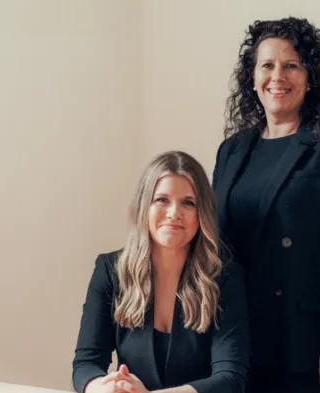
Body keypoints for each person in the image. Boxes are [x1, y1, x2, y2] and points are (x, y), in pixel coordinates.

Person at [211, 17, 320, 393]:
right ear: (252, 76)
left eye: (292, 65)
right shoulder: (232, 151)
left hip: (308, 346)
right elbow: (215, 246)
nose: (278, 76)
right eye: (267, 65)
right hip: (237, 343)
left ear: (311, 76)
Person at [72, 151, 250, 393]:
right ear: (144, 206)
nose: (174, 212)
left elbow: (230, 378)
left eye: (188, 202)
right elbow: (87, 363)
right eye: (162, 200)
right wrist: (105, 388)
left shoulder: (225, 278)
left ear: (202, 214)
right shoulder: (109, 270)